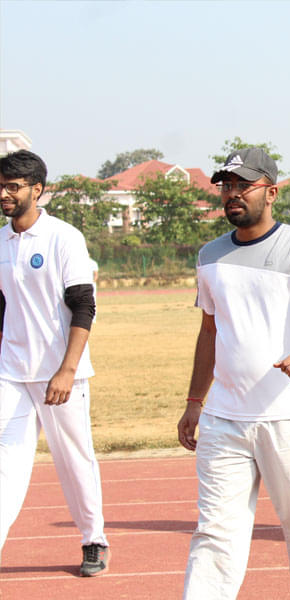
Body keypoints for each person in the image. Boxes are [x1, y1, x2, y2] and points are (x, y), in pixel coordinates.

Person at [177, 147, 290, 599]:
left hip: (288, 416)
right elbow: (209, 331)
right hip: (225, 419)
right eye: (225, 186)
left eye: (241, 185)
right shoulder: (210, 255)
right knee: (215, 533)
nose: (231, 194)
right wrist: (195, 403)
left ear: (271, 191)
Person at [0, 150, 109, 576]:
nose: (5, 194)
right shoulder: (1, 242)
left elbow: (83, 306)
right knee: (6, 461)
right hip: (11, 371)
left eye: (13, 186)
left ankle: (94, 539)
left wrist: (67, 369)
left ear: (37, 190)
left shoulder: (64, 238)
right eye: (1, 185)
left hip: (61, 373)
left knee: (73, 459)